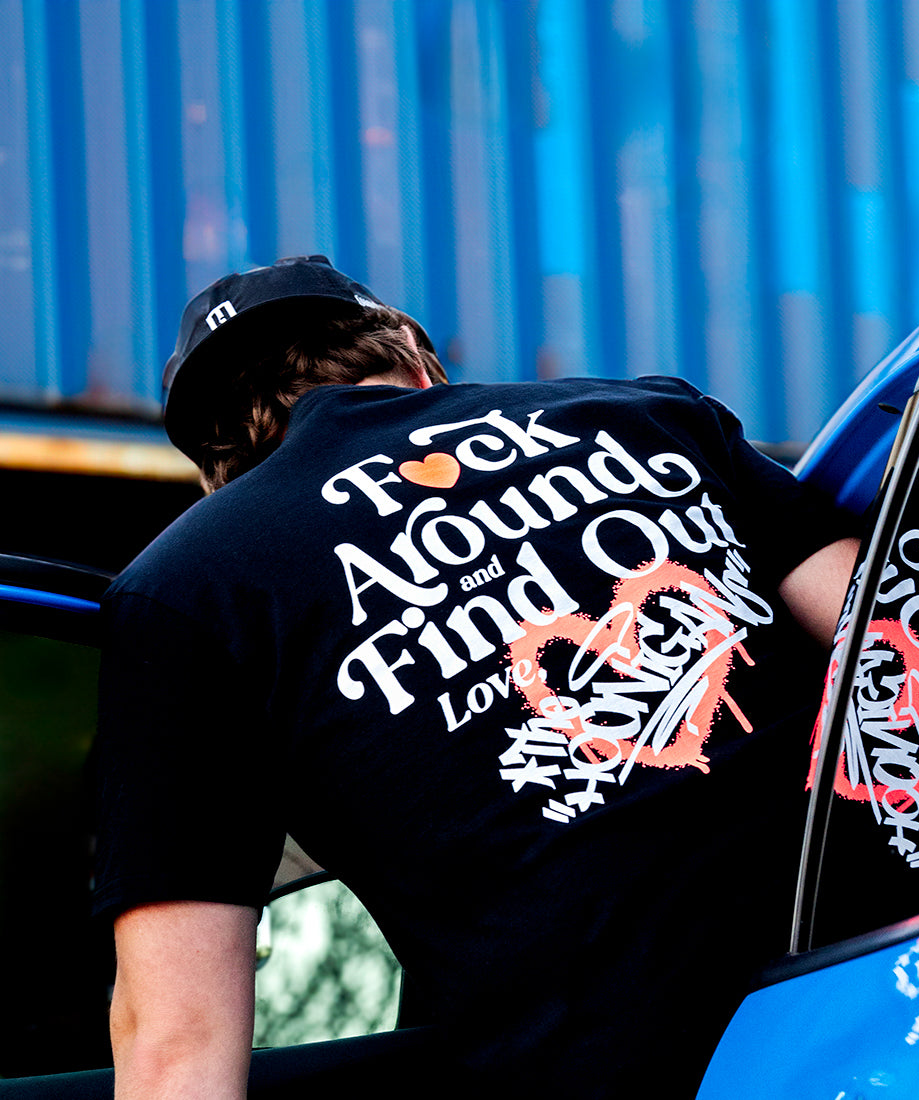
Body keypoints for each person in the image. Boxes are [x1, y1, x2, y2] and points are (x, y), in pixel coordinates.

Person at [92, 255, 859, 1098]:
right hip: (908, 985)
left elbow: (178, 1046)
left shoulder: (190, 588)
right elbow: (899, 642)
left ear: (222, 468)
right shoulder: (643, 414)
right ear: (420, 363)